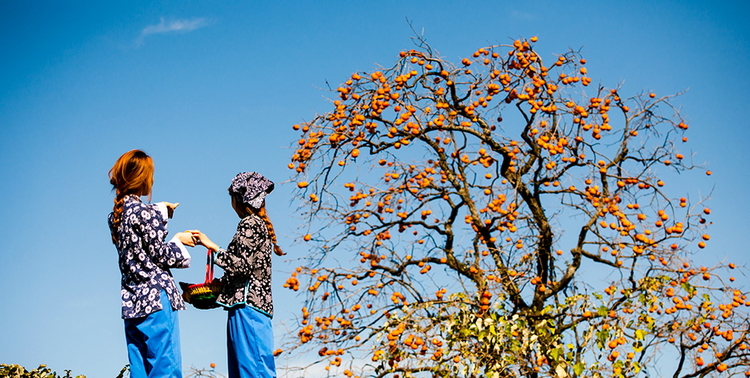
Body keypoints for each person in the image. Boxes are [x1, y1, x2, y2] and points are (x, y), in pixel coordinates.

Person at [108, 149, 198, 378]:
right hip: (155, 299)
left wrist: (160, 210)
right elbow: (160, 254)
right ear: (142, 178)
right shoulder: (144, 213)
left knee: (139, 370)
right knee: (165, 366)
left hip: (132, 302)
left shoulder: (116, 217)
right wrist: (179, 240)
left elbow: (141, 247)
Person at [194, 172, 283, 378]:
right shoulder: (257, 224)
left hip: (248, 307)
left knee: (253, 371)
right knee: (248, 370)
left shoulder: (250, 224)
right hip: (246, 307)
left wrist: (212, 246)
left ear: (240, 198)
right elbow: (245, 269)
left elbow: (242, 266)